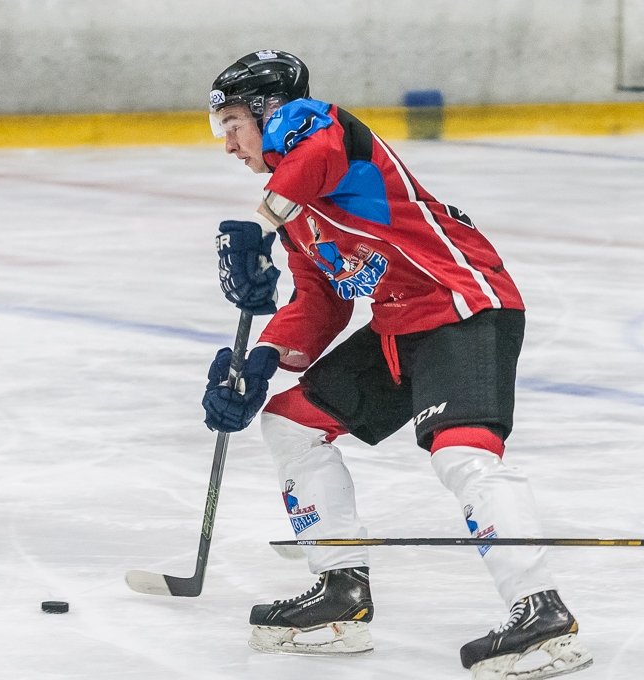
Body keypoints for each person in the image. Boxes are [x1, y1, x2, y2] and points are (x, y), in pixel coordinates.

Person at [198, 49, 593, 680]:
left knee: (462, 453)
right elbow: (319, 305)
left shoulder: (317, 131)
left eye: (233, 125)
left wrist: (261, 222)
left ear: (271, 113)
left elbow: (316, 154)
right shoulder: (301, 217)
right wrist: (262, 360)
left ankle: (541, 613)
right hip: (399, 326)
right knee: (291, 424)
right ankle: (340, 597)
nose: (227, 145)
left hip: (463, 305)